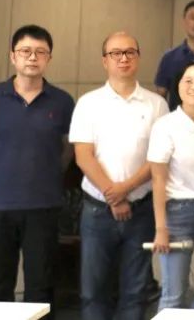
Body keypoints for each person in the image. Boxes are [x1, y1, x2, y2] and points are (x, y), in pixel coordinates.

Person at [0, 25, 74, 316]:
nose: (32, 57)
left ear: (49, 58)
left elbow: (67, 149)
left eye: (40, 52)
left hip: (43, 205)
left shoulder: (62, 101)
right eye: (25, 51)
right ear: (13, 56)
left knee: (41, 286)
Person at [70, 32, 169, 320]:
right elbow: (83, 156)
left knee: (135, 292)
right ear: (105, 61)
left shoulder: (156, 104)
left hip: (141, 211)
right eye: (115, 53)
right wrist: (113, 195)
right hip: (97, 210)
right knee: (93, 291)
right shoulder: (88, 103)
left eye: (129, 52)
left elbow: (158, 160)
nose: (123, 58)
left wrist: (124, 189)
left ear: (138, 57)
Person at [148, 63, 194, 310]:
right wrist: (161, 228)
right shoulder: (165, 125)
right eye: (188, 81)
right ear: (177, 87)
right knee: (173, 293)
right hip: (177, 211)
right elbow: (158, 179)